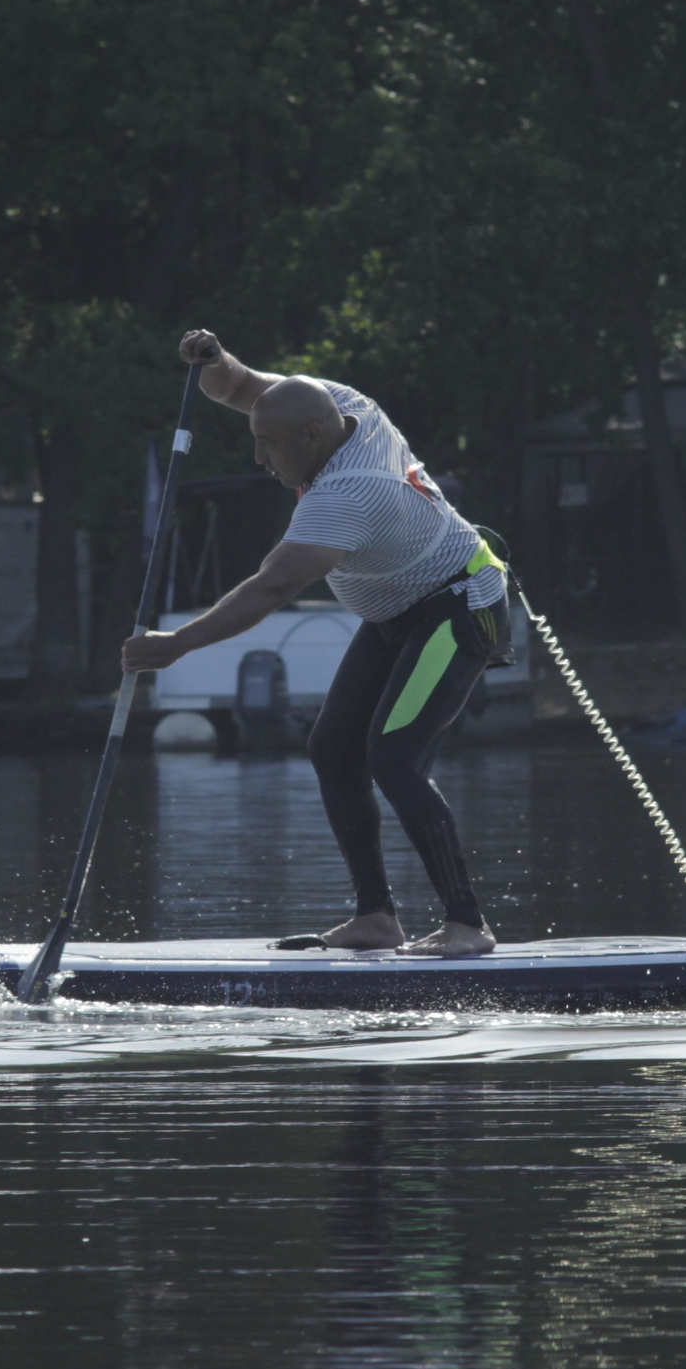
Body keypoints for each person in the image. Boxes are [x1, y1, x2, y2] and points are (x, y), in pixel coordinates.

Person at [121, 330, 509, 957]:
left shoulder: (345, 495)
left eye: (267, 446)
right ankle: (376, 917)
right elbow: (244, 388)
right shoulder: (334, 401)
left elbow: (271, 590)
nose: (259, 460)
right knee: (332, 746)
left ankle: (467, 924)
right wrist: (217, 362)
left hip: (458, 605)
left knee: (394, 758)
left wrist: (180, 644)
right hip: (397, 610)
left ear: (309, 439)